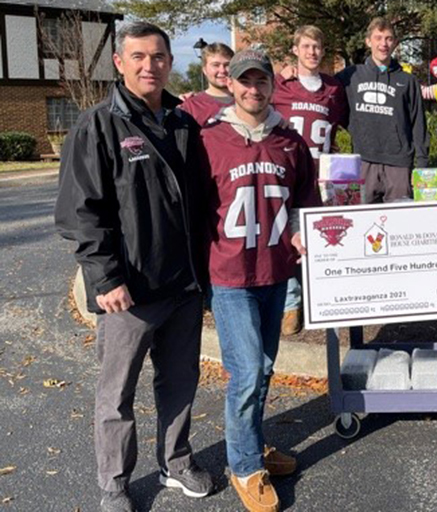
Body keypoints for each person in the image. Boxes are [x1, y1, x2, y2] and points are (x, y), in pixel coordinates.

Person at [54, 21, 214, 512]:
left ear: (169, 61)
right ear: (120, 63)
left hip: (183, 285)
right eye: (139, 57)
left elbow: (202, 201)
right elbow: (80, 212)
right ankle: (114, 483)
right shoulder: (98, 125)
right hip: (129, 292)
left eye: (159, 56)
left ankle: (176, 461)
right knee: (116, 395)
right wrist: (105, 278)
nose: (150, 65)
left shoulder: (183, 124)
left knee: (180, 382)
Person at [199, 48, 321, 512]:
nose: (254, 89)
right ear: (231, 84)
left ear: (273, 84)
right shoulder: (209, 138)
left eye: (261, 81)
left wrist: (300, 231)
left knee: (265, 367)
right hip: (229, 274)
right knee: (247, 372)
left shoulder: (289, 140)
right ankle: (246, 466)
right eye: (245, 81)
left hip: (274, 270)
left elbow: (304, 198)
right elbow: (193, 208)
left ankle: (251, 441)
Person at [272, 25, 347, 336]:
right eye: (306, 46)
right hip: (288, 173)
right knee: (290, 238)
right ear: (295, 50)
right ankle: (292, 304)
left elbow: (340, 126)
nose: (312, 52)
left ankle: (326, 298)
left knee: (326, 237)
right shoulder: (280, 84)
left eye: (317, 46)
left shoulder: (332, 89)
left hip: (323, 175)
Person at [336, 17, 429, 203]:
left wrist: (422, 165)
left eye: (388, 38)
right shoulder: (351, 76)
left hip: (399, 165)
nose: (383, 44)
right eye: (378, 38)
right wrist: (293, 72)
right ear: (368, 41)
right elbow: (322, 91)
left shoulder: (408, 81)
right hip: (363, 162)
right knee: (363, 223)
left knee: (400, 226)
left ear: (394, 43)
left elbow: (418, 123)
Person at [179, 42, 235, 125]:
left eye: (227, 65)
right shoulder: (191, 107)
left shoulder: (247, 101)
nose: (222, 70)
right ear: (204, 70)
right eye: (216, 65)